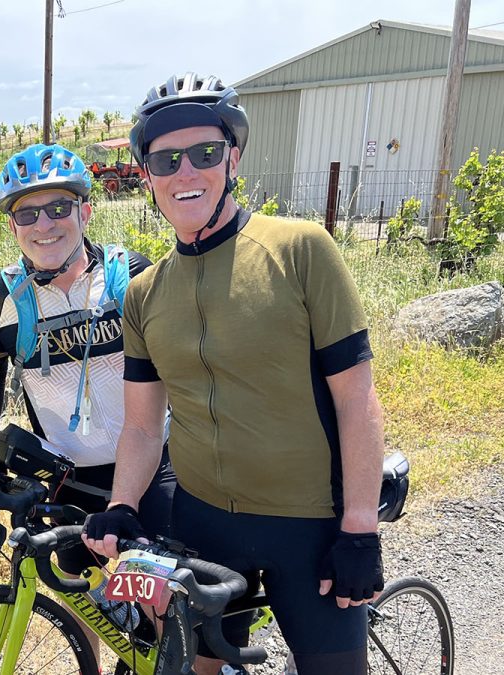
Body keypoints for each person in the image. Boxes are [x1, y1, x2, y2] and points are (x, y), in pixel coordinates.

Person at [81, 73, 386, 675]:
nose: (185, 172)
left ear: (233, 158)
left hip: (310, 526)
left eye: (204, 153)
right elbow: (143, 428)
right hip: (202, 525)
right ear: (147, 176)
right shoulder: (143, 292)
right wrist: (122, 502)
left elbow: (357, 400)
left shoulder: (301, 249)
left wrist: (360, 527)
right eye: (167, 159)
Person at [0, 142, 177, 661]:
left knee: (162, 603)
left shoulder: (131, 278)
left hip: (152, 467)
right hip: (69, 478)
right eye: (27, 212)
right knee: (77, 597)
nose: (45, 224)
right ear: (12, 226)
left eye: (59, 207)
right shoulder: (2, 297)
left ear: (85, 210)